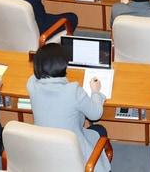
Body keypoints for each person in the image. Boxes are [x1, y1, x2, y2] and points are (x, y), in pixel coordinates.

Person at [27, 43, 109, 172]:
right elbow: (96, 114)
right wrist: (95, 92)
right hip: (71, 151)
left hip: (44, 148)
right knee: (100, 130)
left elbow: (35, 76)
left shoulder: (32, 85)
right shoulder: (73, 91)